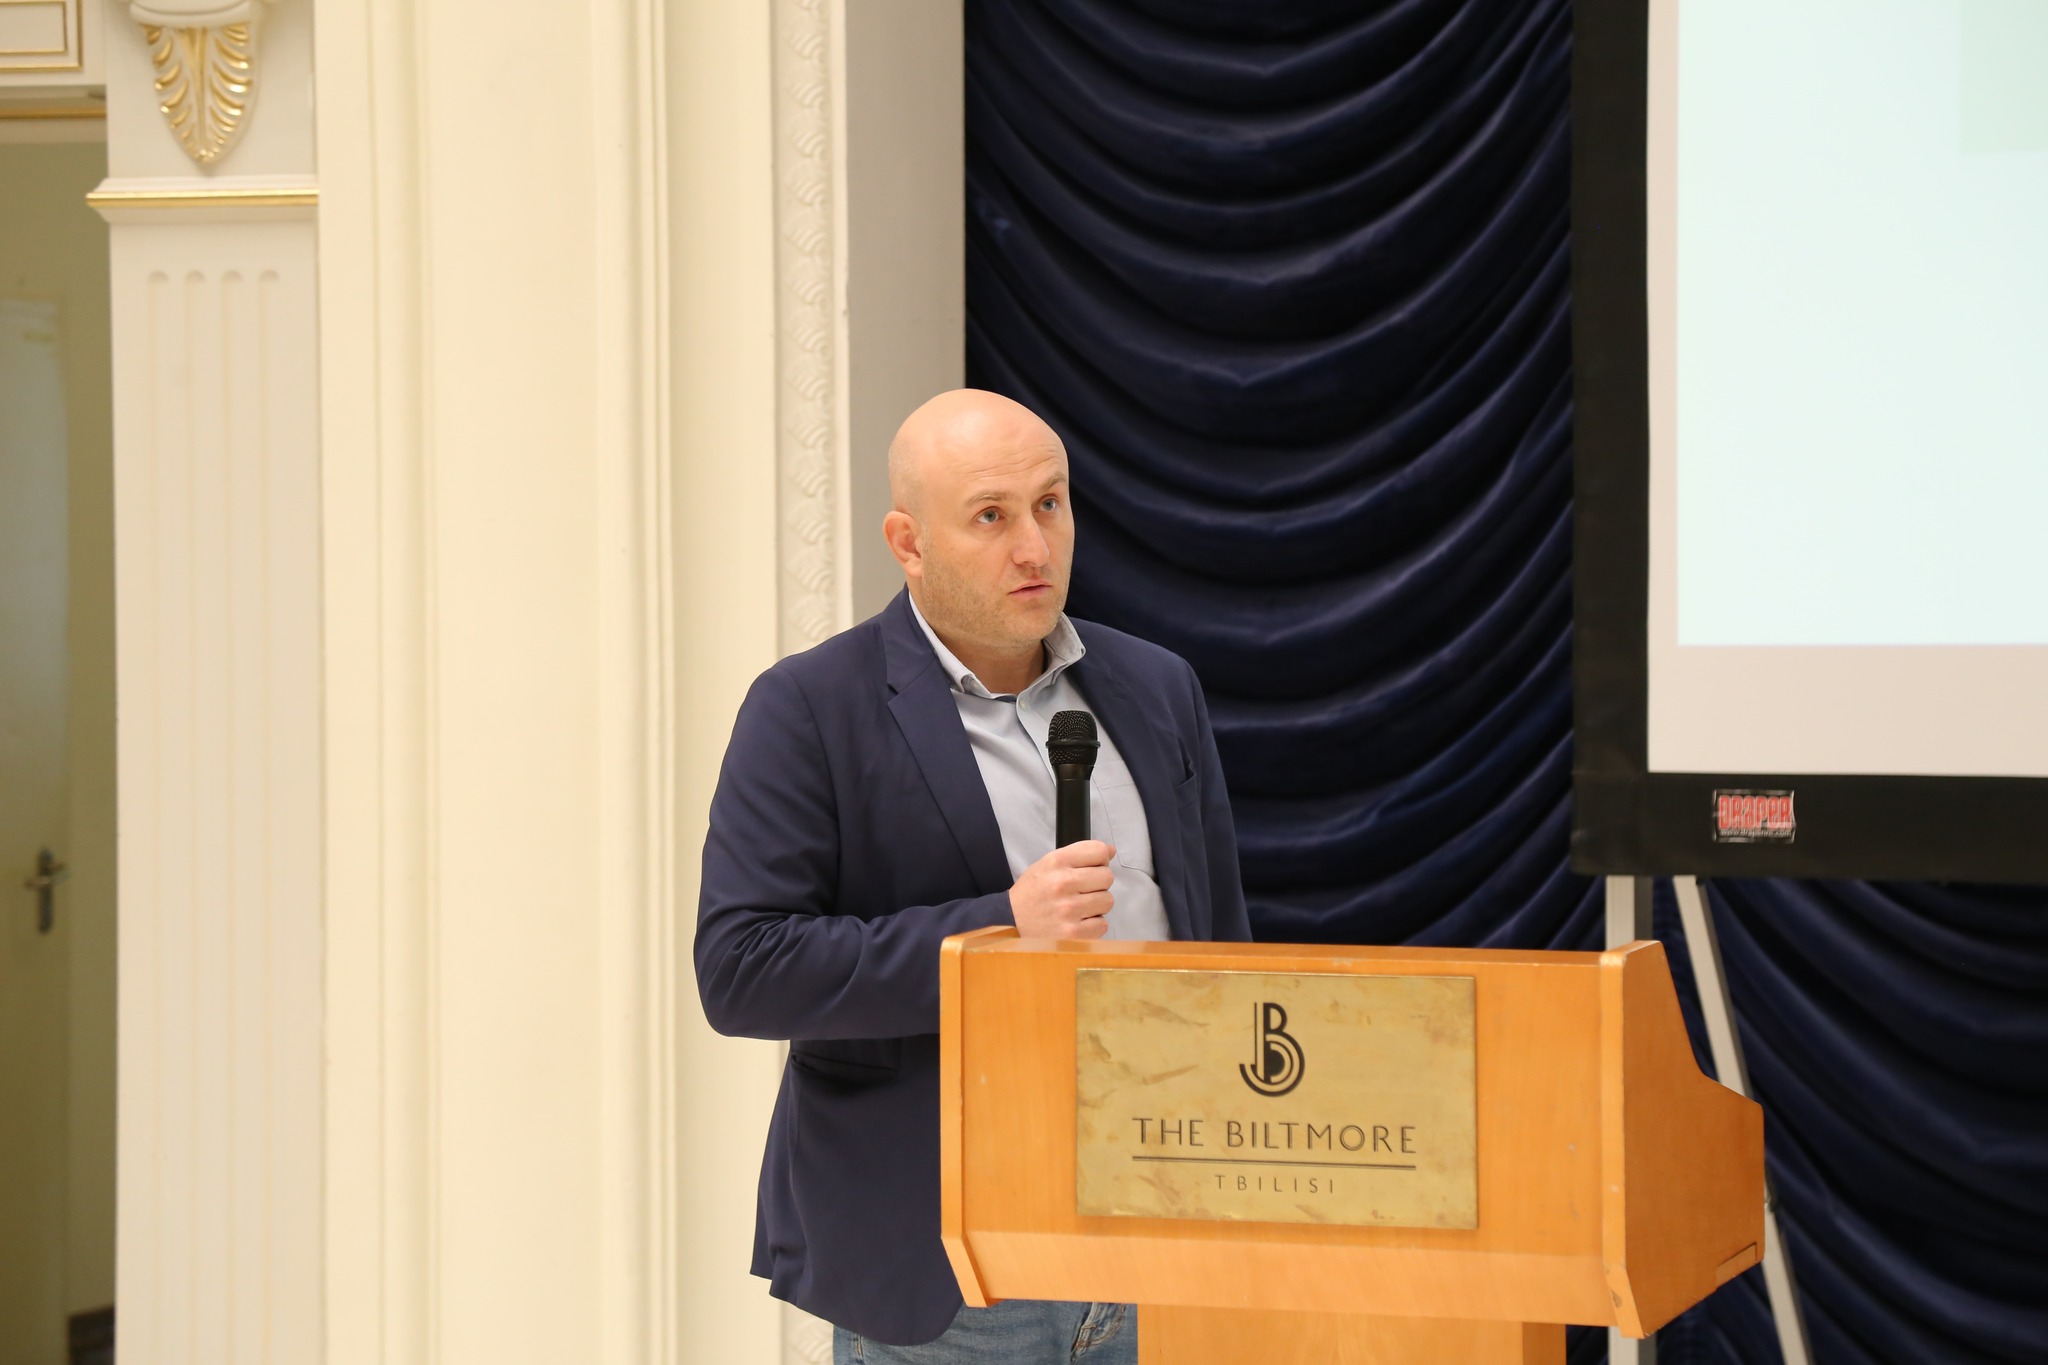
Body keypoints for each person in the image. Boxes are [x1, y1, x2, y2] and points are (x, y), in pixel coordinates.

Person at [695, 389, 1251, 1363]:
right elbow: (743, 968)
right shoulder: (810, 708)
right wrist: (999, 928)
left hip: (1161, 1245)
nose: (1034, 547)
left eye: (1050, 504)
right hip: (952, 1276)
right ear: (908, 543)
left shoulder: (1156, 687)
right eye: (991, 516)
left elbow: (1221, 946)